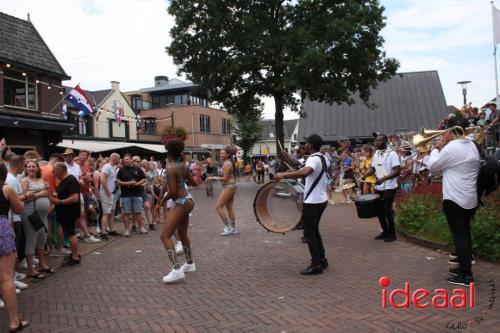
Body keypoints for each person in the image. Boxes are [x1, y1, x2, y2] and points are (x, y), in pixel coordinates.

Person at [428, 118, 480, 286]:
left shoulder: (451, 147)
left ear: (451, 131)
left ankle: (466, 276)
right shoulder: (472, 145)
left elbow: (433, 167)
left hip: (454, 198)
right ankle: (465, 267)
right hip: (469, 198)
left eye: (446, 131)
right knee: (464, 233)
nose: (445, 134)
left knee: (459, 237)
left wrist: (436, 148)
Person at [275, 134, 330, 275]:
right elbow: (301, 166)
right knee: (315, 230)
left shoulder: (313, 159)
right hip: (321, 199)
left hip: (312, 201)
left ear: (310, 145)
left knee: (309, 233)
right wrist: (288, 157)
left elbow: (305, 171)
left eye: (306, 143)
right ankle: (322, 260)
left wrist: (283, 175)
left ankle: (316, 264)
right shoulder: (323, 158)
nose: (304, 145)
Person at [158, 139, 200, 283]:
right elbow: (195, 183)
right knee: (182, 234)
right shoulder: (183, 165)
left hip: (181, 202)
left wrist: (161, 201)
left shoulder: (171, 168)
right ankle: (189, 264)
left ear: (168, 152)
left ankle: (176, 270)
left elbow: (173, 192)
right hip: (188, 200)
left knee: (164, 236)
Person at [0, 162, 29, 332]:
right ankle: (14, 321)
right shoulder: (6, 189)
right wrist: (23, 198)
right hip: (2, 229)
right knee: (6, 278)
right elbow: (18, 209)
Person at [363, 135, 401, 242]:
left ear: (386, 141)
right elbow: (373, 168)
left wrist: (384, 178)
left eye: (379, 141)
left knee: (387, 210)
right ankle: (384, 232)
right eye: (376, 141)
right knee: (379, 211)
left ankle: (392, 234)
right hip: (379, 186)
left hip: (389, 186)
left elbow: (397, 170)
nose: (376, 143)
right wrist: (365, 175)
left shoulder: (392, 153)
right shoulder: (377, 153)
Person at [20, 160, 53, 278]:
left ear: (38, 168)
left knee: (42, 238)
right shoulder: (24, 181)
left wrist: (46, 193)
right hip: (30, 215)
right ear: (26, 168)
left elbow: (48, 193)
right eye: (29, 166)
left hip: (43, 215)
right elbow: (23, 198)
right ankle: (31, 269)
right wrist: (41, 194)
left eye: (33, 166)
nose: (31, 168)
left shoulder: (41, 180)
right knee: (31, 240)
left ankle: (42, 265)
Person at [50, 163, 81, 266]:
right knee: (69, 233)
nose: (53, 173)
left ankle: (75, 257)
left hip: (69, 212)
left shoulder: (70, 180)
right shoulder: (63, 181)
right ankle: (74, 254)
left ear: (60, 171)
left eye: (54, 171)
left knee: (70, 234)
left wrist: (59, 202)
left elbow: (75, 197)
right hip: (65, 212)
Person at [207, 147, 238, 235]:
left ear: (228, 155)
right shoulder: (225, 163)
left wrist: (212, 178)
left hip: (229, 186)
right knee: (229, 207)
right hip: (231, 186)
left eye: (223, 153)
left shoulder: (227, 164)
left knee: (218, 206)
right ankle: (233, 228)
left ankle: (228, 227)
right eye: (220, 153)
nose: (221, 155)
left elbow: (225, 179)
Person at [41, 153, 66, 257]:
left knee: (48, 227)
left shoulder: (41, 169)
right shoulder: (55, 171)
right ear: (57, 161)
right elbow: (58, 189)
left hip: (42, 200)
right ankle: (59, 249)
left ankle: (50, 249)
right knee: (59, 225)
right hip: (53, 202)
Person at [116, 154, 148, 236]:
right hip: (125, 194)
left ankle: (141, 227)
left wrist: (137, 183)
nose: (125, 161)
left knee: (138, 212)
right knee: (126, 213)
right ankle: (127, 230)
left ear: (131, 160)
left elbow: (144, 178)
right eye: (124, 159)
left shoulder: (138, 169)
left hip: (137, 193)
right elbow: (117, 181)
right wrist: (127, 183)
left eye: (127, 159)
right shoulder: (121, 170)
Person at [99, 153, 120, 240]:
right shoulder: (107, 166)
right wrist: (108, 191)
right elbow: (102, 179)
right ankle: (103, 232)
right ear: (114, 158)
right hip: (107, 193)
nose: (120, 160)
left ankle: (111, 230)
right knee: (106, 213)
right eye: (119, 158)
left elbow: (109, 179)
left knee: (111, 212)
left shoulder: (112, 167)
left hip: (112, 193)